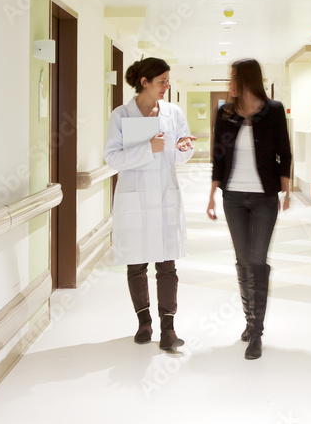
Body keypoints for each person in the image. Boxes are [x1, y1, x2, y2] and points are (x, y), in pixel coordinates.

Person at [105, 57, 196, 351]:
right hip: (134, 197)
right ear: (144, 82)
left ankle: (168, 328)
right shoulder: (120, 115)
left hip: (165, 196)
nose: (166, 87)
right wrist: (148, 148)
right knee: (137, 264)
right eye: (162, 81)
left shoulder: (173, 112)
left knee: (167, 264)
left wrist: (183, 148)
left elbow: (181, 151)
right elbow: (112, 158)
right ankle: (144, 322)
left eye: (168, 81)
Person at [206, 58, 292, 360]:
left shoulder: (274, 111)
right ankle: (249, 321)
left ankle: (256, 332)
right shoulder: (225, 113)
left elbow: (285, 149)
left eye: (233, 78)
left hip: (264, 197)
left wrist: (287, 188)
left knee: (258, 261)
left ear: (247, 80)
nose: (229, 83)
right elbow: (218, 156)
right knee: (243, 261)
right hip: (233, 197)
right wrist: (212, 193)